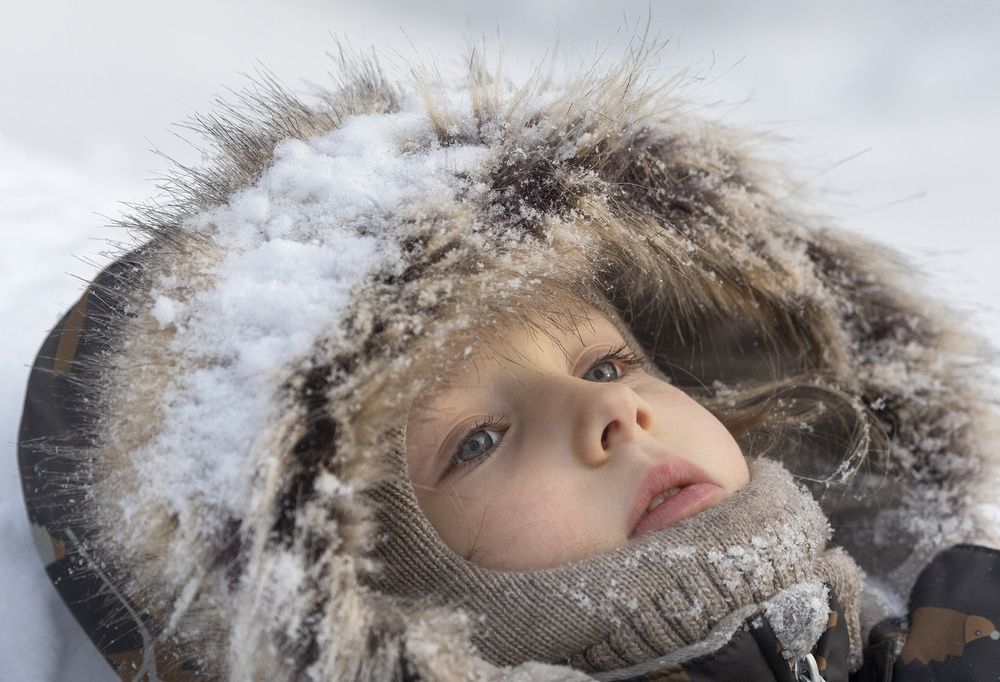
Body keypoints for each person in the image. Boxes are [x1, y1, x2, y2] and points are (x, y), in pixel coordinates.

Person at [17, 41, 1000, 681]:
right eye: (478, 440)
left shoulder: (955, 624)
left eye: (609, 363)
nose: (608, 415)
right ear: (367, 596)